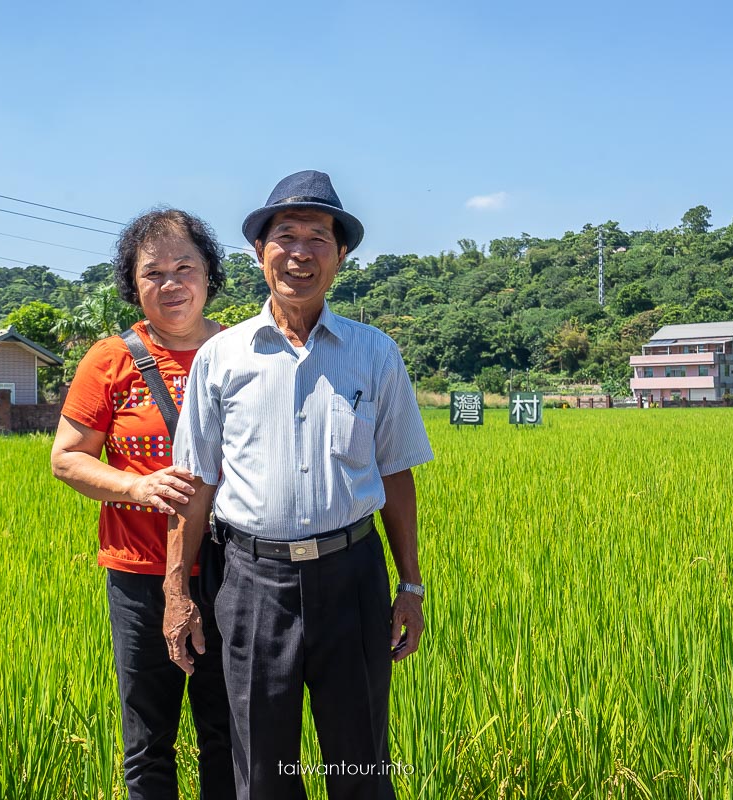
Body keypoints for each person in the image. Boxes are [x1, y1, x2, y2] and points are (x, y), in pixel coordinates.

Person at [162, 171, 434, 799]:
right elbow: (195, 484)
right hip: (252, 582)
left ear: (340, 257)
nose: (301, 252)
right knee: (260, 768)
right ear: (261, 253)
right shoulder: (222, 357)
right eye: (285, 236)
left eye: (319, 238)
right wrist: (178, 591)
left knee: (360, 763)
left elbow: (395, 473)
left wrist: (411, 584)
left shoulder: (375, 354)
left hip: (353, 577)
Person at [50, 208, 234, 800]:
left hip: (236, 574)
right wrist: (138, 486)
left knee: (228, 732)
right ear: (134, 284)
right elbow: (67, 457)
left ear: (210, 275)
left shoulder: (242, 352)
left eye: (186, 267)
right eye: (154, 272)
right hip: (138, 576)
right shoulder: (110, 359)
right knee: (149, 739)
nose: (172, 283)